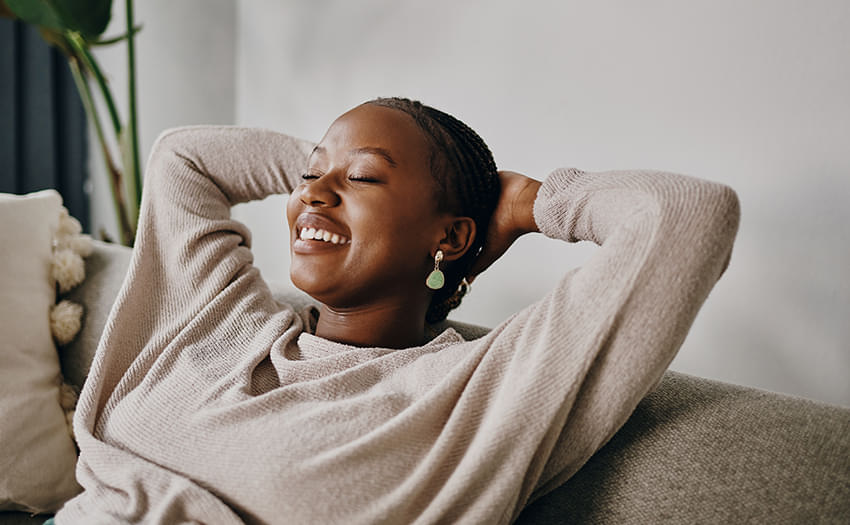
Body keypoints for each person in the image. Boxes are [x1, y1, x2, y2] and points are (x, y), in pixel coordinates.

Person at [54, 97, 739, 524]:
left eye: (364, 178)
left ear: (450, 235)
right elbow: (185, 158)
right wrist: (331, 168)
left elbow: (687, 216)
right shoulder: (221, 319)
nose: (312, 195)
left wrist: (526, 204)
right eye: (307, 178)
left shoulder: (473, 397)